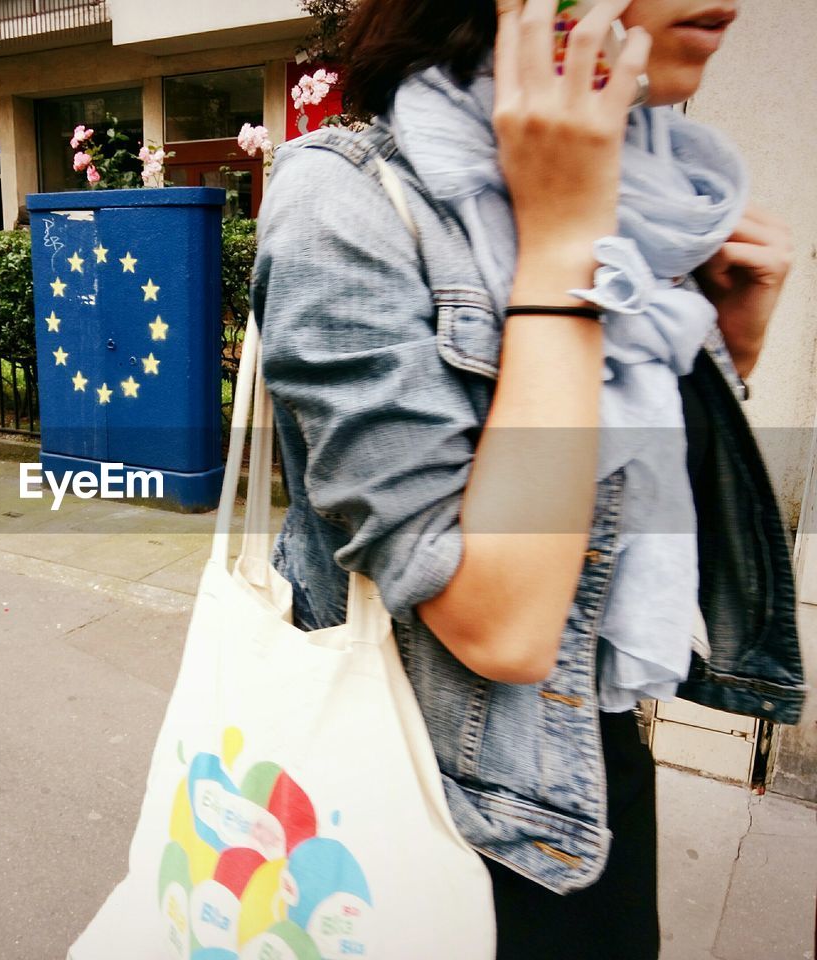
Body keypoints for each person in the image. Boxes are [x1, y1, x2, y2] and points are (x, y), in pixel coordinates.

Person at [252, 0, 805, 956]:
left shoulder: (623, 197)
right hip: (431, 813)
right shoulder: (347, 201)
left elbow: (609, 529)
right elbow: (500, 625)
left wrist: (732, 355)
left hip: (597, 765)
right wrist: (560, 253)